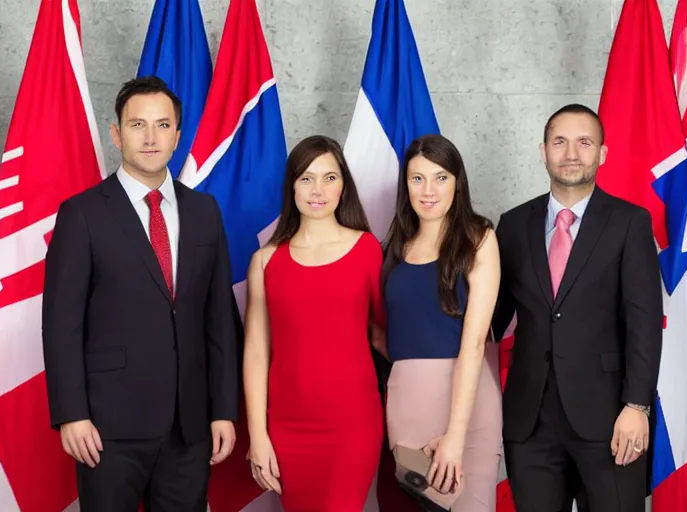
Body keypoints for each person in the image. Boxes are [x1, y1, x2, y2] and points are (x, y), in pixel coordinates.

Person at [42, 76, 239, 512]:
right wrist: (71, 413)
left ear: (177, 135)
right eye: (137, 125)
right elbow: (61, 323)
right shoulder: (82, 214)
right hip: (107, 427)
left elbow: (219, 320)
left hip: (189, 426)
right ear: (117, 134)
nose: (151, 137)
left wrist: (223, 408)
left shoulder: (204, 212)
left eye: (162, 125)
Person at [492, 104, 663, 511]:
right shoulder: (513, 225)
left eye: (584, 142)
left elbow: (645, 322)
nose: (571, 153)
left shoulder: (629, 223)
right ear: (543, 151)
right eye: (560, 142)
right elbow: (491, 319)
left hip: (609, 417)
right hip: (529, 422)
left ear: (602, 153)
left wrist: (636, 407)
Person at [242, 135, 387, 511]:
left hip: (352, 423)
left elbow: (385, 334)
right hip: (287, 426)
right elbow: (257, 354)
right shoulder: (265, 261)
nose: (318, 189)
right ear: (291, 186)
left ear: (344, 186)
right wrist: (258, 436)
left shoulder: (367, 250)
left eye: (329, 177)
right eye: (306, 178)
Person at [382, 134, 503, 511]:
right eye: (417, 179)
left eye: (440, 177)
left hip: (464, 400)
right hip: (406, 402)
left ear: (457, 182)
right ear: (406, 185)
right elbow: (398, 333)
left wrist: (454, 434)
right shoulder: (396, 247)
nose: (428, 190)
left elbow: (473, 343)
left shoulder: (478, 239)